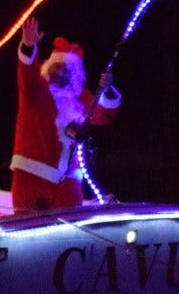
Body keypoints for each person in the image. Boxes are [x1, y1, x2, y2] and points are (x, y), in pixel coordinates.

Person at [11, 16, 121, 211]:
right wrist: (28, 48)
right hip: (32, 175)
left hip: (68, 181)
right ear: (49, 67)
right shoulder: (36, 92)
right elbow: (26, 72)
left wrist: (108, 90)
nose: (61, 73)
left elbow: (105, 114)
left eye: (67, 70)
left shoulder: (81, 99)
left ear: (76, 75)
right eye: (57, 67)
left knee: (70, 232)